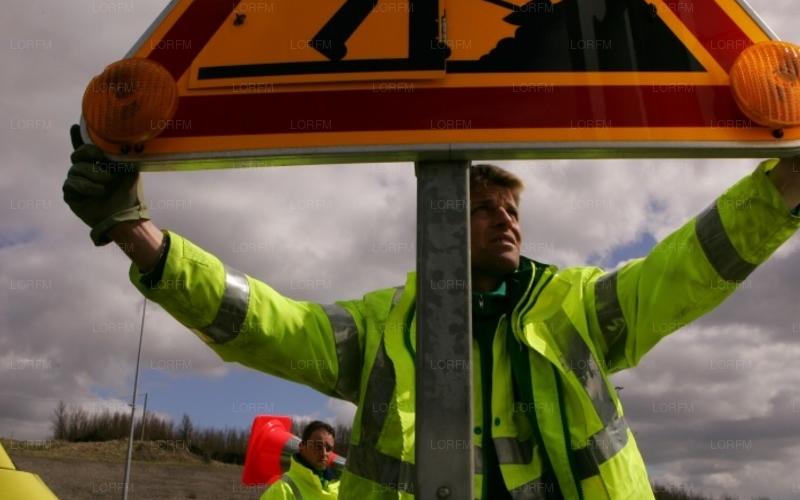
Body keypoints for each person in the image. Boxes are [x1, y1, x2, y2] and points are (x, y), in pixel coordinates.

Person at [63, 125, 800, 499]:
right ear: (442, 221)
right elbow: (266, 322)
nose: (506, 220)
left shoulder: (576, 305)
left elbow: (687, 266)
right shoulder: (386, 325)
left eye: (512, 210)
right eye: (484, 208)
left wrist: (784, 186)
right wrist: (139, 236)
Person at [262, 420, 339, 499]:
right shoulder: (281, 490)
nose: (324, 453)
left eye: (329, 448)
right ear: (302, 447)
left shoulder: (339, 486)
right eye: (318, 446)